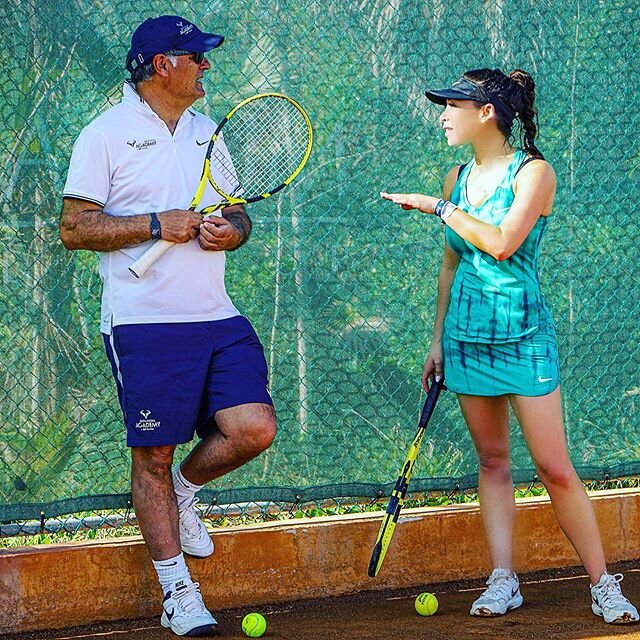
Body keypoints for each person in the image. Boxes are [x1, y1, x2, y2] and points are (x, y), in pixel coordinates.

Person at [381, 68, 639, 624]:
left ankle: (603, 584)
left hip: (525, 338)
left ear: (487, 113)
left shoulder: (534, 174)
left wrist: (437, 208)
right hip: (466, 340)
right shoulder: (455, 176)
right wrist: (436, 340)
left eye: (453, 105)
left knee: (555, 468)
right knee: (493, 461)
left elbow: (500, 244)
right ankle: (504, 579)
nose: (443, 115)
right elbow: (452, 263)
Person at [60, 16, 276, 637]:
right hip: (145, 323)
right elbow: (74, 227)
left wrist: (227, 231)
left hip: (216, 315)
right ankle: (178, 593)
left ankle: (185, 490)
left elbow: (236, 214)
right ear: (162, 64)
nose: (207, 66)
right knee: (152, 454)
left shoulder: (210, 132)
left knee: (253, 429)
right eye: (197, 57)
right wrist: (157, 224)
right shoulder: (103, 135)